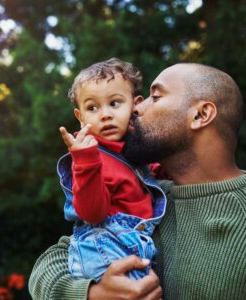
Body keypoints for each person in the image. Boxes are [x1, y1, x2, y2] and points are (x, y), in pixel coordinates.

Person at [28, 62, 246, 300]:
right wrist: (92, 294)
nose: (135, 109)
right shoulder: (149, 194)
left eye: (155, 96)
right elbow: (51, 262)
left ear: (200, 114)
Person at [57, 58, 167, 282]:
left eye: (114, 103)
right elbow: (92, 213)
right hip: (106, 248)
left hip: (133, 244)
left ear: (135, 105)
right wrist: (85, 162)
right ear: (80, 117)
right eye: (92, 108)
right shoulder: (89, 156)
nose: (104, 114)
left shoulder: (131, 151)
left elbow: (149, 176)